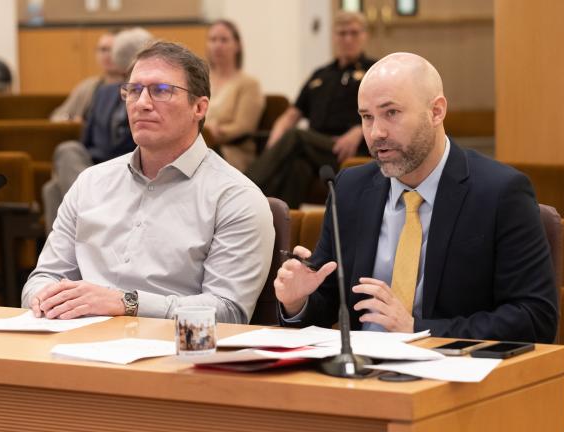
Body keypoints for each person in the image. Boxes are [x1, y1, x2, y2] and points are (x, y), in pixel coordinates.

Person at [274, 52, 558, 343]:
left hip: (450, 371)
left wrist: (416, 328)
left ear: (436, 111)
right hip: (360, 373)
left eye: (391, 113)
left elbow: (534, 318)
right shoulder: (350, 188)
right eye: (366, 117)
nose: (376, 132)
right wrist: (298, 301)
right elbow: (329, 300)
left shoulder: (500, 193)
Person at [22, 41, 275, 324]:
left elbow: (228, 311)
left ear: (199, 107)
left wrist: (126, 303)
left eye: (161, 91)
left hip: (171, 354)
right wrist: (45, 299)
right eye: (133, 90)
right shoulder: (90, 183)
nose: (142, 103)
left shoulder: (235, 197)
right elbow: (43, 277)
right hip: (74, 343)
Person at [246, 11, 375, 208]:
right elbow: (291, 115)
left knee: (296, 136)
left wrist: (359, 129)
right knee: (298, 167)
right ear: (333, 37)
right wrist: (275, 142)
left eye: (354, 33)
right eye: (342, 33)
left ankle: (245, 187)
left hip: (349, 150)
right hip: (315, 147)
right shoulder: (320, 75)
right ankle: (284, 228)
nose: (348, 39)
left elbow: (383, 111)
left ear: (364, 36)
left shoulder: (373, 70)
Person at [42, 27, 153, 233]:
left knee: (55, 190)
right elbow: (86, 141)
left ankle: (90, 229)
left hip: (129, 170)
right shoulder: (102, 93)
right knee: (67, 153)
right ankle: (92, 223)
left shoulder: (151, 97)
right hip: (95, 170)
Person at [203, 20, 264, 172]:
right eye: (213, 40)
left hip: (232, 153)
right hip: (198, 147)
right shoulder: (200, 80)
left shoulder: (249, 84)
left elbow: (244, 126)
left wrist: (213, 133)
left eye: (224, 40)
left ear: (237, 46)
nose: (218, 45)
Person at [50, 30, 123, 122]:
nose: (107, 55)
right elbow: (57, 117)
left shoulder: (130, 87)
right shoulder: (87, 87)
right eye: (103, 49)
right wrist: (70, 120)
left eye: (113, 49)